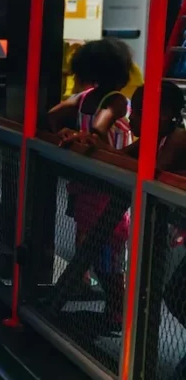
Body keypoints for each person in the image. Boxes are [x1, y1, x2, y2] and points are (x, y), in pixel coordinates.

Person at [47, 38, 133, 328]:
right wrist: (87, 137)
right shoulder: (114, 100)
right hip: (109, 183)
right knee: (108, 253)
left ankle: (109, 306)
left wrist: (71, 134)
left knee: (96, 245)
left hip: (88, 182)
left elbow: (54, 115)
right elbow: (99, 128)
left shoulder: (86, 97)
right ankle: (114, 310)